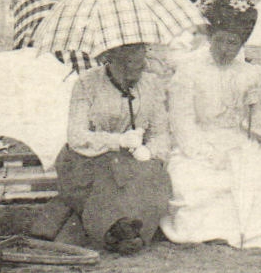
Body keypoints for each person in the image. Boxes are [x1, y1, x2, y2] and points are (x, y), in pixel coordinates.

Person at [160, 0, 261, 248]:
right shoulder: (188, 71)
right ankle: (208, 231)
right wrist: (205, 153)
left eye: (232, 43)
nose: (224, 49)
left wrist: (252, 109)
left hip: (237, 141)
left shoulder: (251, 74)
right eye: (219, 40)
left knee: (259, 173)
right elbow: (182, 123)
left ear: (241, 45)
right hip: (198, 142)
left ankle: (248, 231)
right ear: (210, 38)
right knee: (193, 177)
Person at [31, 42, 172, 254]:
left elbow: (161, 133)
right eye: (128, 65)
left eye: (140, 63)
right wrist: (118, 141)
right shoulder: (87, 83)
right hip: (89, 158)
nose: (136, 71)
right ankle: (117, 232)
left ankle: (124, 231)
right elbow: (77, 137)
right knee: (110, 175)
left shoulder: (151, 84)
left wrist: (150, 151)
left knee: (153, 174)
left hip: (133, 161)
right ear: (111, 58)